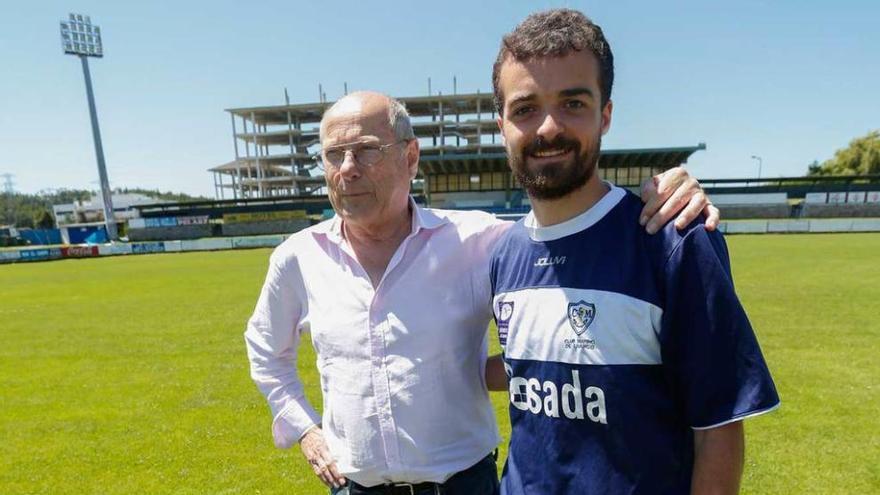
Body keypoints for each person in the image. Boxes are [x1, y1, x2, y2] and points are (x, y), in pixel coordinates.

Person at [244, 90, 717, 494]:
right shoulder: (297, 257)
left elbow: (569, 230)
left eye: (366, 150)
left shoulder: (479, 240)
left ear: (410, 157)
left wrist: (675, 191)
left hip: (464, 485)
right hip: (353, 487)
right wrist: (306, 429)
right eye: (333, 154)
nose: (346, 169)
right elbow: (266, 350)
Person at [486, 9, 780, 495]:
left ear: (605, 114)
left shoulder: (673, 238)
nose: (547, 128)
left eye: (573, 103)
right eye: (525, 108)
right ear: (502, 125)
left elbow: (719, 429)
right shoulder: (505, 254)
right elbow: (529, 370)